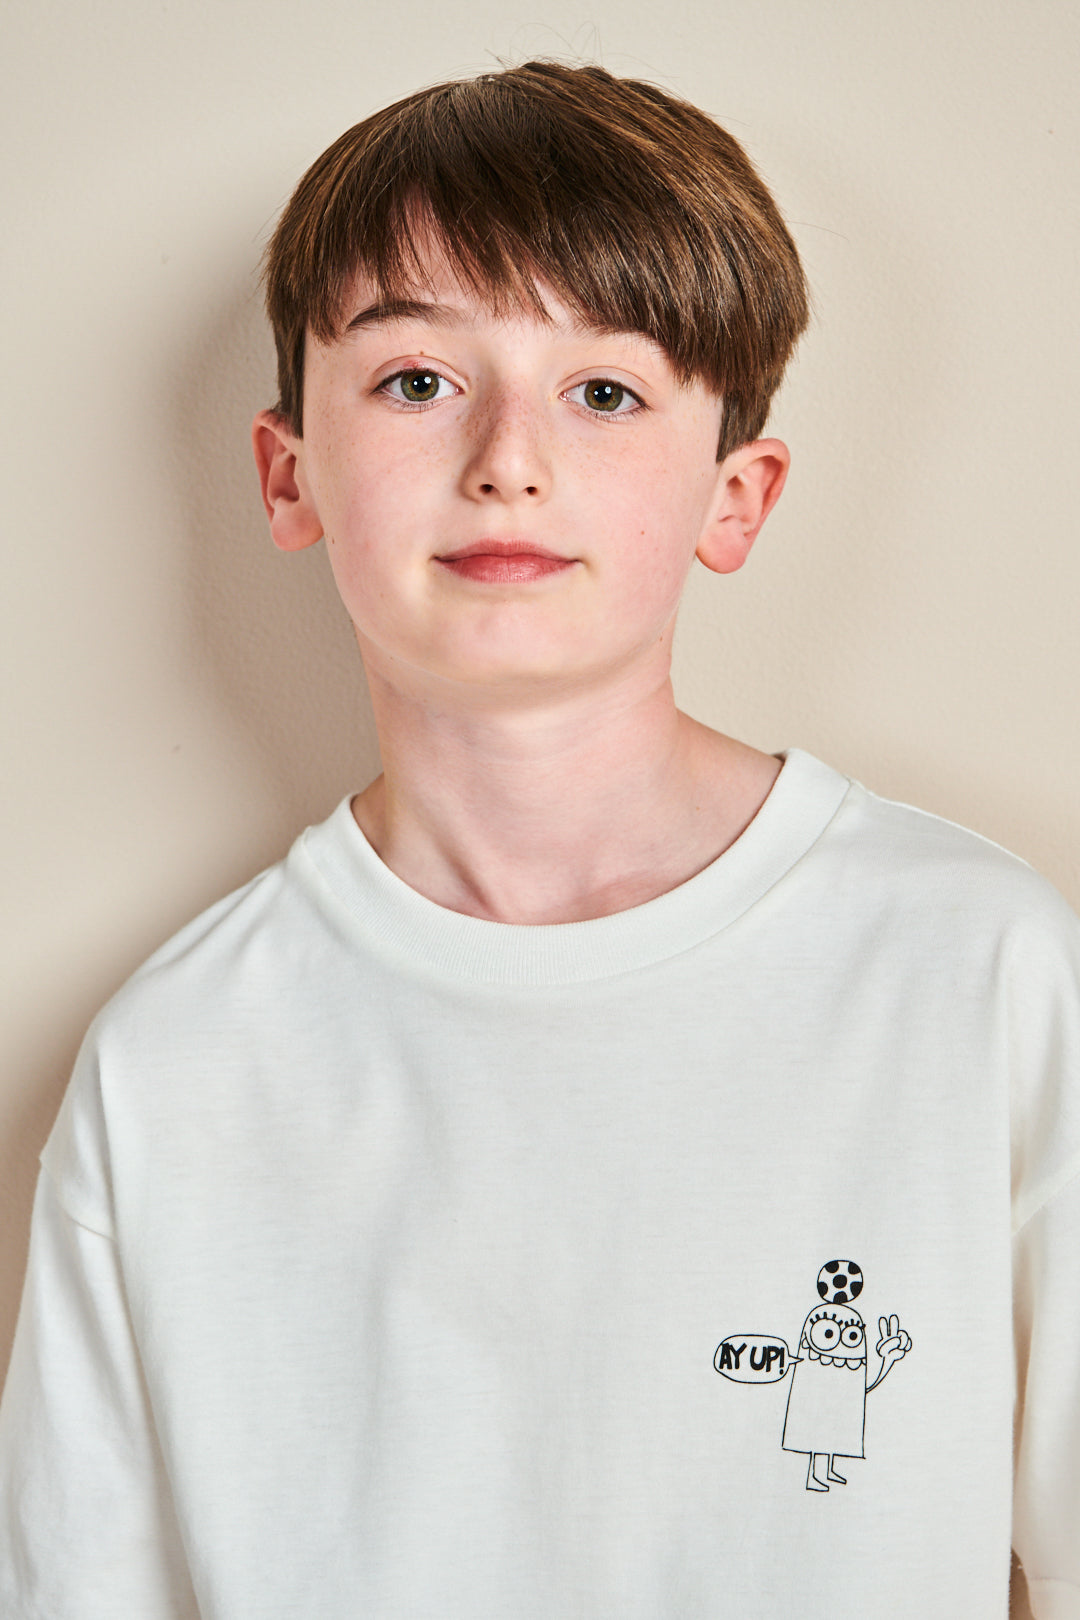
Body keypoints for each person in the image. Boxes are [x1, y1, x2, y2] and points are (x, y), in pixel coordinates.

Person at [0, 59, 1076, 1620]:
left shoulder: (979, 970)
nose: (509, 457)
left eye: (605, 392)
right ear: (288, 475)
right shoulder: (176, 1065)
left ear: (736, 498)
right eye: (417, 381)